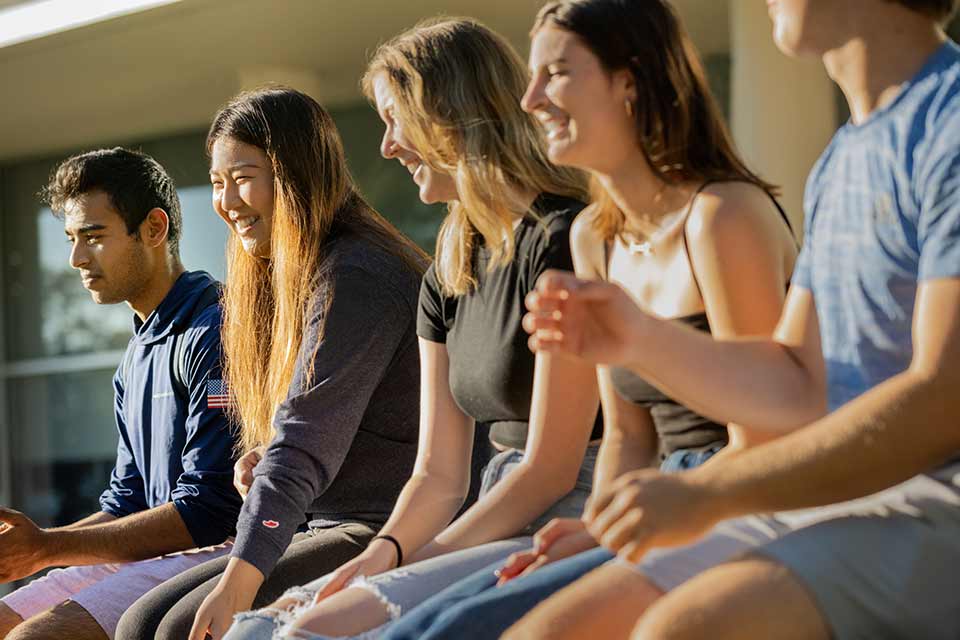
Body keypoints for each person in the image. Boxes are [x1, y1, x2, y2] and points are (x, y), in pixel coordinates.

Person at [513, 0, 960, 638]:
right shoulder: (842, 158)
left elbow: (943, 401)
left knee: (686, 628)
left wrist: (713, 494)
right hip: (838, 493)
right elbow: (797, 383)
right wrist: (640, 338)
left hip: (935, 497)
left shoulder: (950, 121)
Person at [375, 1, 799, 638]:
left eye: (556, 74)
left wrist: (621, 525)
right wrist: (597, 522)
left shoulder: (721, 218)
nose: (530, 98)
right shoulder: (595, 240)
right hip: (649, 500)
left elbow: (767, 436)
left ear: (629, 82)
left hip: (740, 501)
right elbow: (629, 437)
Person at [220, 17, 602, 640]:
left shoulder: (562, 241)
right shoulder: (446, 274)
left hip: (566, 513)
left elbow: (551, 470)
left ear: (451, 114)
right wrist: (383, 555)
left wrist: (412, 560)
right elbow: (437, 475)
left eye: (397, 119)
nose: (388, 146)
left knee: (307, 634)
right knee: (257, 630)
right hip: (486, 511)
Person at [112, 87, 428, 640]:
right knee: (140, 621)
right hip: (319, 523)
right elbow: (324, 426)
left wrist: (239, 581)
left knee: (176, 629)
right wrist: (262, 453)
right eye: (216, 182)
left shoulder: (356, 274)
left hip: (383, 526)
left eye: (243, 176)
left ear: (296, 172)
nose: (227, 200)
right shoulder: (291, 275)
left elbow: (305, 442)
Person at [0, 147, 242, 640]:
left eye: (93, 236)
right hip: (157, 554)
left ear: (154, 229)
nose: (75, 258)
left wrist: (47, 548)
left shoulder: (215, 329)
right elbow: (128, 501)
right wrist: (28, 546)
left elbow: (211, 511)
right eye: (71, 239)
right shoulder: (134, 355)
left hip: (221, 552)